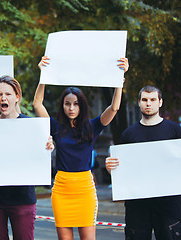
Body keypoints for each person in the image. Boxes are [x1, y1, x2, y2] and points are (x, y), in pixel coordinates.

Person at [33, 56, 129, 240]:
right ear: (62, 106)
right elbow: (37, 103)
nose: (71, 108)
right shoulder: (56, 128)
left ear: (81, 106)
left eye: (75, 104)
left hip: (85, 189)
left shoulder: (93, 126)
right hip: (61, 189)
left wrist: (119, 80)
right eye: (67, 103)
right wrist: (43, 75)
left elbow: (114, 108)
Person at [105, 85, 181, 240]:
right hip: (137, 205)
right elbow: (121, 171)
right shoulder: (128, 134)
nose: (148, 103)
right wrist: (110, 168)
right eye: (145, 100)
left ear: (160, 102)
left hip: (168, 204)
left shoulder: (175, 131)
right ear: (139, 103)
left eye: (153, 99)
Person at [0, 75, 54, 240]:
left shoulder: (32, 126)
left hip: (22, 198)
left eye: (8, 94)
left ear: (17, 97)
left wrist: (47, 146)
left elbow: (40, 155)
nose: (3, 98)